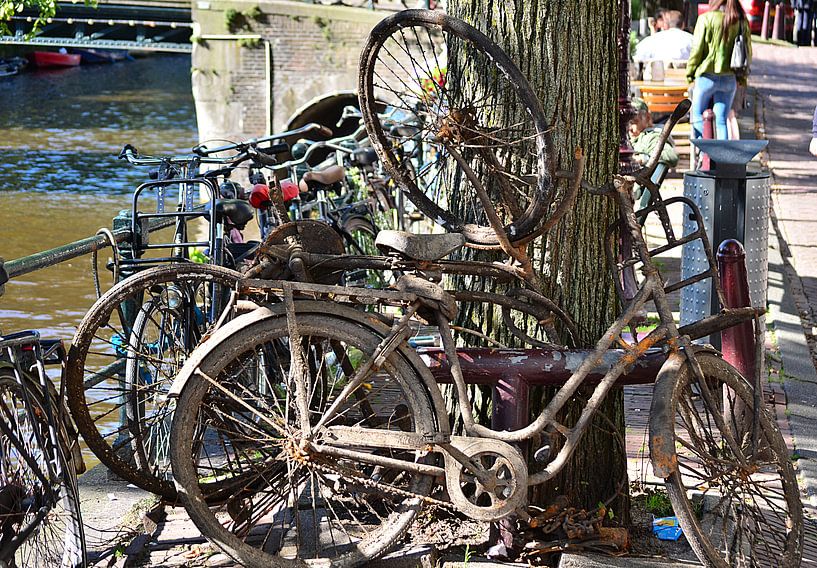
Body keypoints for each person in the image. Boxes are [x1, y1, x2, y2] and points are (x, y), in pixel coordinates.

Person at [686, 0, 752, 140]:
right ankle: (720, 158)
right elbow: (747, 54)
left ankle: (703, 153)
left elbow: (697, 51)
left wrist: (690, 74)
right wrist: (742, 79)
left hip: (706, 77)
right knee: (721, 120)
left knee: (697, 116)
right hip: (730, 79)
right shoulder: (741, 21)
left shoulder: (706, 18)